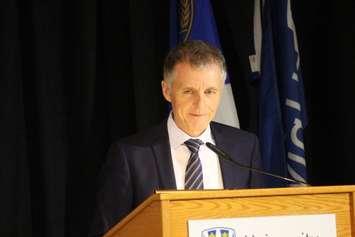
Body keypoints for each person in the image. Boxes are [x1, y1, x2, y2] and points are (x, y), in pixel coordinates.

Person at [89, 40, 265, 237]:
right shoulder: (130, 156)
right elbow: (107, 233)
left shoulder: (245, 147)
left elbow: (258, 223)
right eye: (189, 92)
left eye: (210, 92)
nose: (200, 104)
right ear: (167, 91)